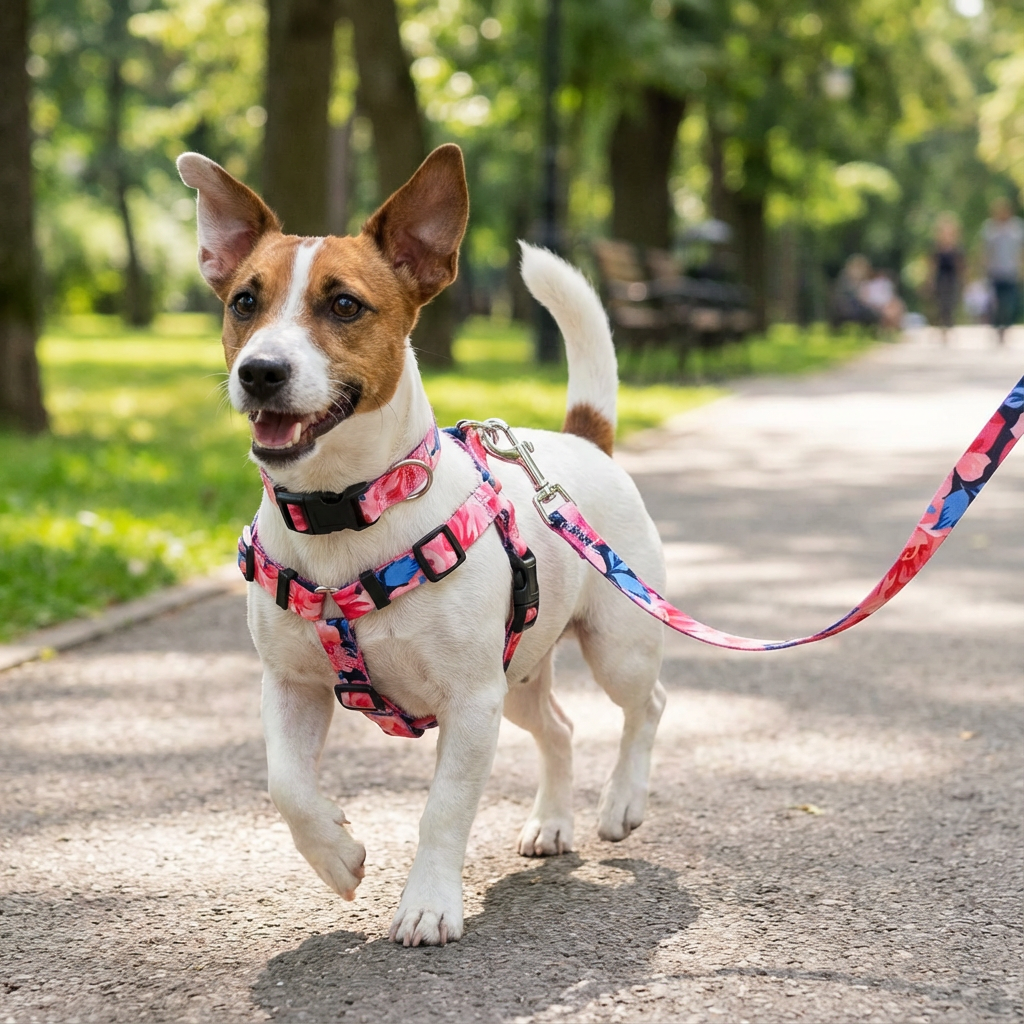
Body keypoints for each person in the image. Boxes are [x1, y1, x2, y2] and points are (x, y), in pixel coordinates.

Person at [981, 197, 1024, 343]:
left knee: (1010, 303)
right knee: (997, 303)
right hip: (995, 272)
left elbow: (1020, 250)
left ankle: (1006, 327)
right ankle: (998, 327)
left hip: (1011, 271)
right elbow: (986, 251)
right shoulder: (990, 228)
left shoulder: (1017, 228)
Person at [930, 213, 964, 342]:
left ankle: (949, 326)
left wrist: (963, 280)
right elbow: (932, 265)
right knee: (941, 303)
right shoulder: (936, 247)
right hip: (941, 278)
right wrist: (930, 280)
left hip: (952, 278)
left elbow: (961, 265)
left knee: (951, 303)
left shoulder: (957, 248)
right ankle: (942, 327)